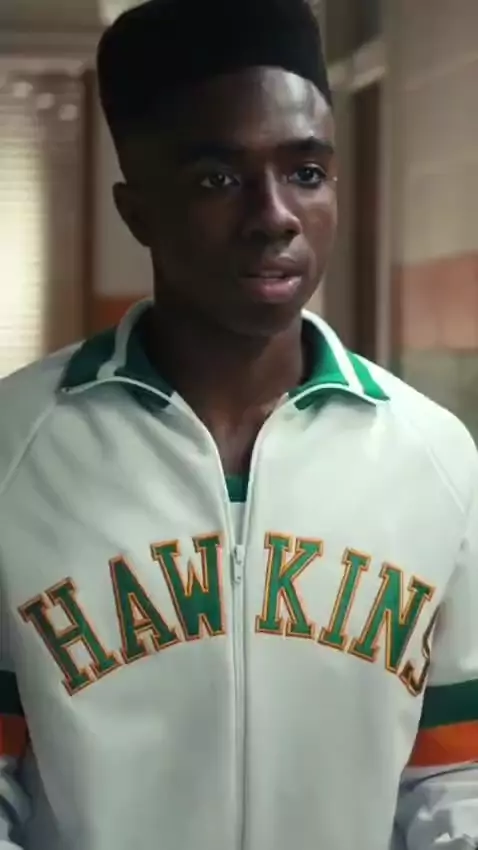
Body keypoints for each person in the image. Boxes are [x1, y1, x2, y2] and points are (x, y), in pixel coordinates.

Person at [0, 0, 477, 847]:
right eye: (217, 179)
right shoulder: (17, 449)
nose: (275, 214)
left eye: (307, 172)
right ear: (137, 210)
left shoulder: (433, 456)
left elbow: (454, 775)